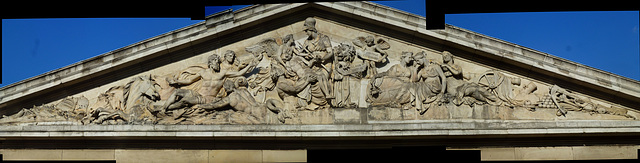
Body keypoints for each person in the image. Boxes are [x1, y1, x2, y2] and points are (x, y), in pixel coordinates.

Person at [158, 54, 256, 112]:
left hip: (207, 99)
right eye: (215, 62)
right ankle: (163, 109)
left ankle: (169, 108)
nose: (217, 64)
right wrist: (176, 81)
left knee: (185, 101)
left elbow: (238, 73)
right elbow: (189, 80)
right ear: (210, 63)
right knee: (177, 92)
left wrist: (250, 65)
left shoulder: (222, 73)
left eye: (218, 62)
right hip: (197, 94)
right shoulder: (203, 72)